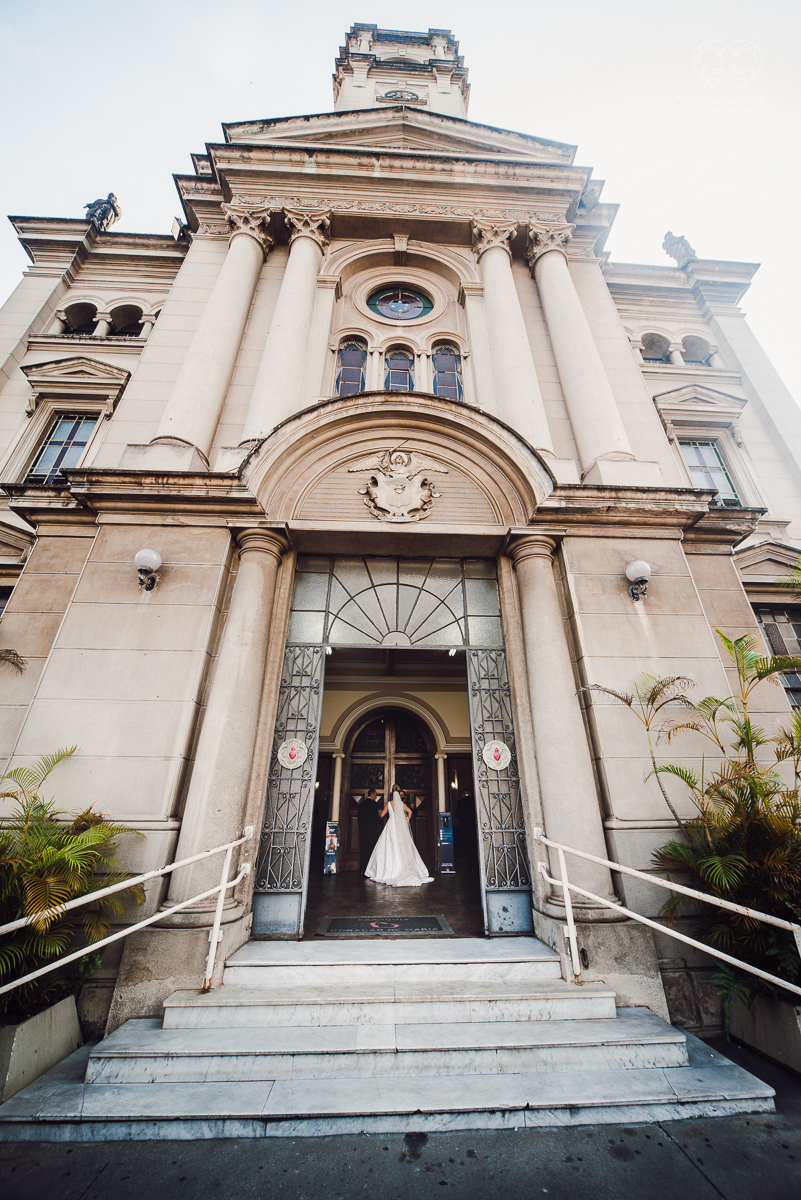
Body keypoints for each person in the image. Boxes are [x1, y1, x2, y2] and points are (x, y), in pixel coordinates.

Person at [365, 785, 433, 887]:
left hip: (391, 826)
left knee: (388, 846)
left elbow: (382, 815)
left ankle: (385, 871)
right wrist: (406, 821)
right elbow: (410, 812)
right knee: (401, 845)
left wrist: (378, 817)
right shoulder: (402, 804)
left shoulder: (389, 804)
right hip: (400, 827)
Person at [357, 788, 383, 874]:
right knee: (371, 849)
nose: (375, 797)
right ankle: (369, 869)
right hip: (371, 831)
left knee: (363, 848)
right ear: (372, 795)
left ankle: (362, 868)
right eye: (375, 795)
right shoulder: (374, 804)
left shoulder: (361, 804)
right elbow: (375, 817)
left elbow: (359, 818)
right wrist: (381, 822)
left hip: (363, 830)